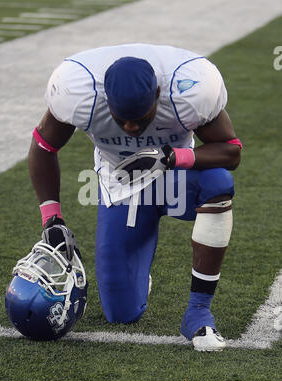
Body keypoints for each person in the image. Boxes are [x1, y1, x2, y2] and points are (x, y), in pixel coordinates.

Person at [28, 43, 242, 351]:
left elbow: (231, 152)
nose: (130, 128)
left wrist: (170, 157)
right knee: (121, 314)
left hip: (174, 176)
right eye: (121, 118)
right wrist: (52, 218)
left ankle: (199, 312)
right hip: (122, 185)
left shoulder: (190, 87)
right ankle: (137, 275)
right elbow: (43, 147)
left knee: (218, 181)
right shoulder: (79, 92)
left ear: (157, 94)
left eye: (140, 118)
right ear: (104, 99)